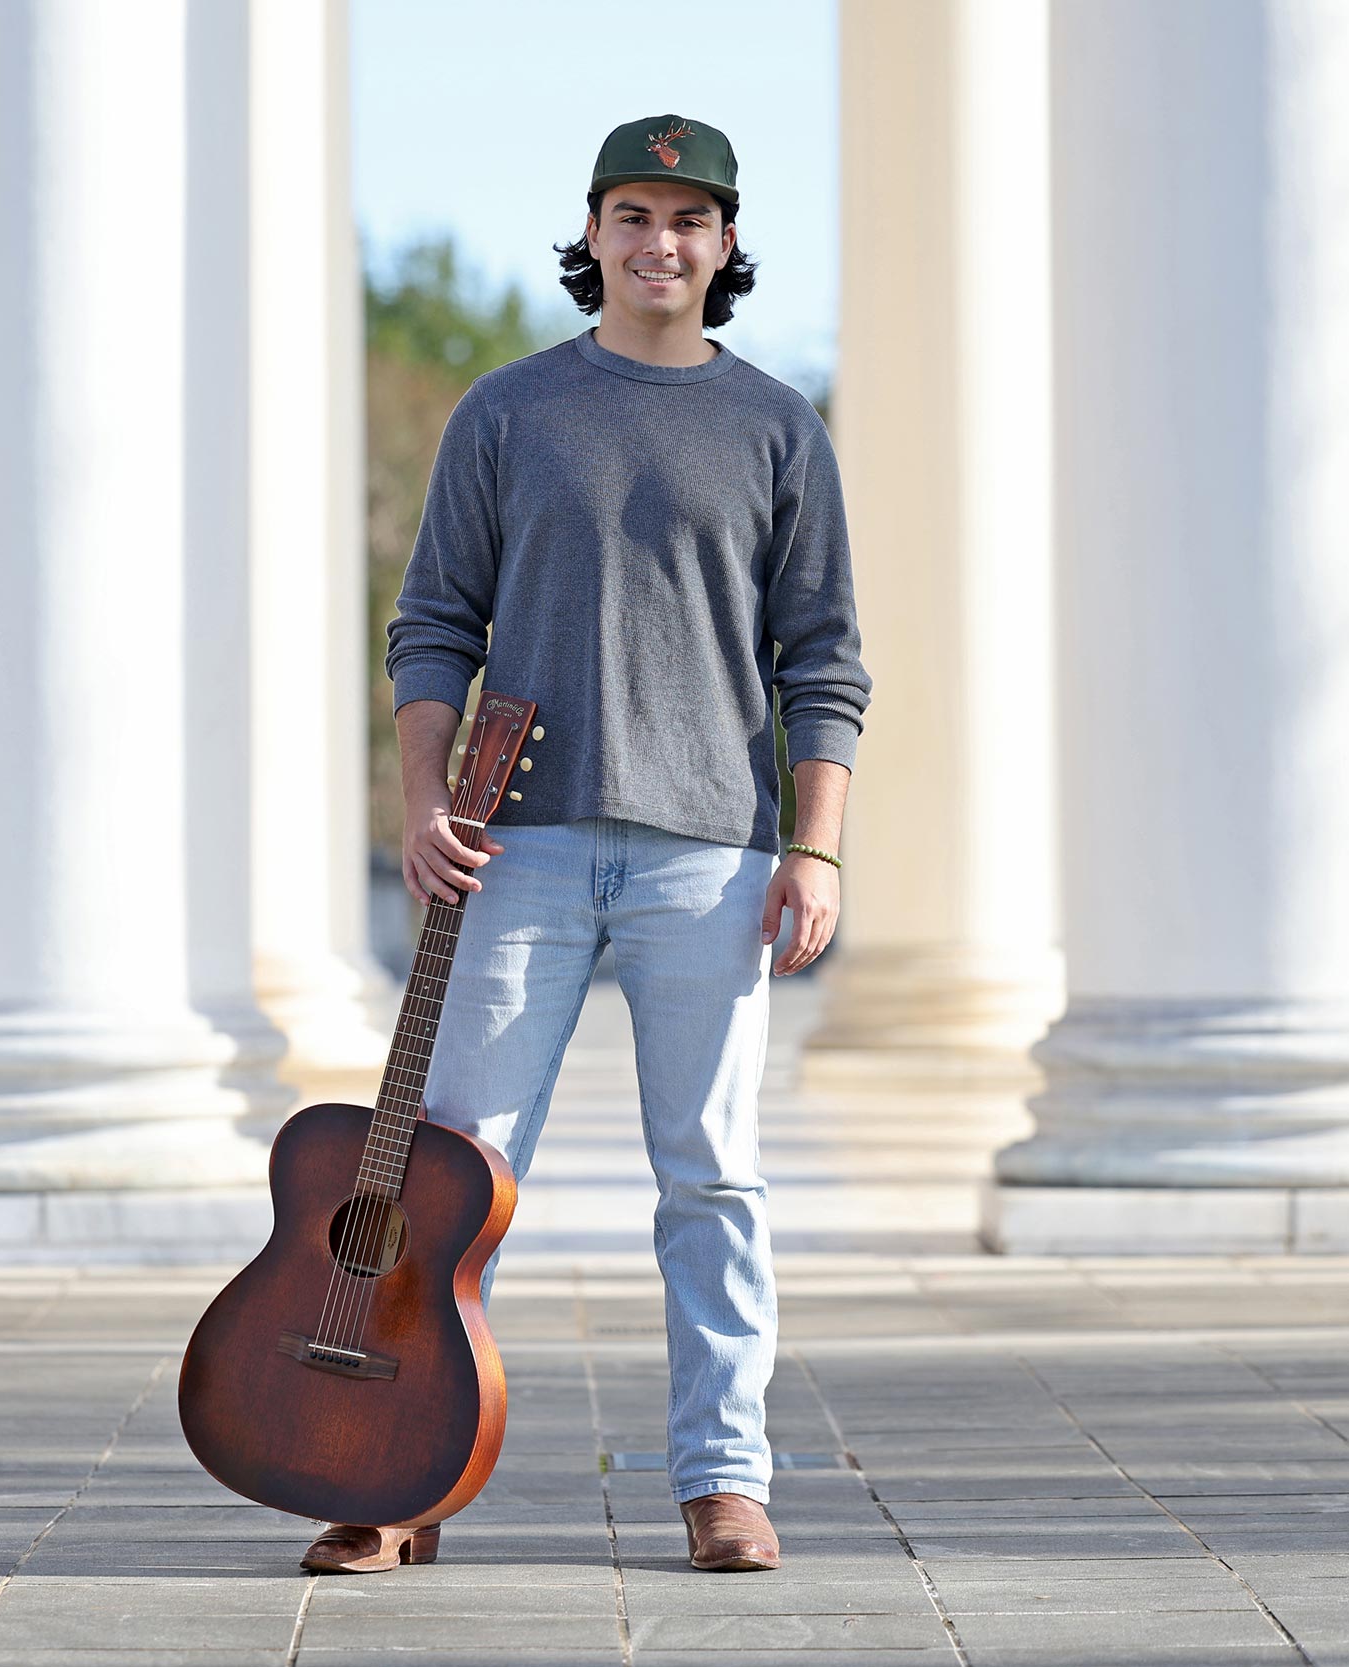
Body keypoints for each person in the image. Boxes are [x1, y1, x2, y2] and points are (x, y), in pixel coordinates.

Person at [300, 112, 869, 1578]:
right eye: (634, 214)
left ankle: (726, 1483)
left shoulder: (775, 426)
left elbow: (824, 659)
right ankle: (396, 1472)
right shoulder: (508, 413)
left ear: (726, 243)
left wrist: (816, 851)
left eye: (689, 219)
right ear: (595, 233)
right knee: (452, 1169)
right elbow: (432, 625)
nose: (659, 243)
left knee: (715, 1178)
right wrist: (422, 804)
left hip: (713, 859)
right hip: (522, 853)